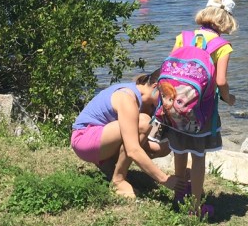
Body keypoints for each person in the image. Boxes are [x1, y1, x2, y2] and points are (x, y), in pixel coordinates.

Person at [163, 0, 238, 218]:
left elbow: (171, 68)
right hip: (201, 111)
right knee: (198, 155)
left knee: (179, 151)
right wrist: (228, 97)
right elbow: (221, 81)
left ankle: (178, 197)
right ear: (226, 20)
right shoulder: (222, 46)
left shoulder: (182, 37)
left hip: (175, 105)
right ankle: (195, 207)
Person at [70, 69, 187, 199]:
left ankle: (108, 166)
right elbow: (133, 149)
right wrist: (164, 179)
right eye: (166, 96)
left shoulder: (150, 106)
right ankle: (118, 180)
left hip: (104, 138)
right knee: (143, 122)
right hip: (84, 139)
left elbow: (154, 138)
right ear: (155, 87)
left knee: (163, 147)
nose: (168, 102)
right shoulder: (127, 97)